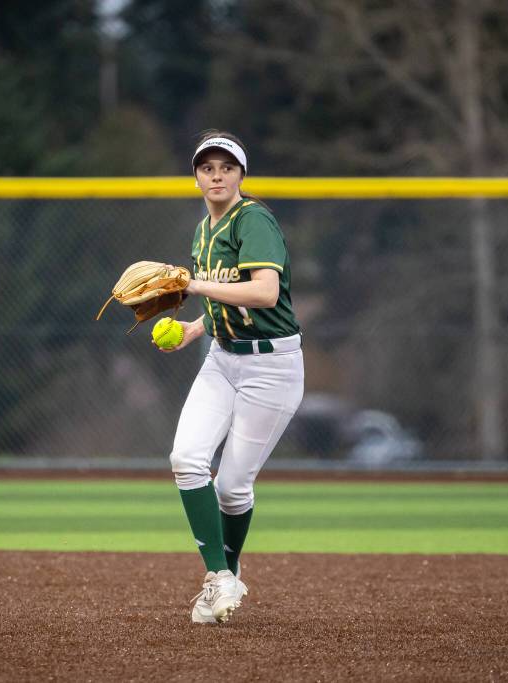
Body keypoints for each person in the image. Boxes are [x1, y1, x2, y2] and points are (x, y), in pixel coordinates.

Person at [156, 130, 304, 624]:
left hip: (271, 366)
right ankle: (219, 579)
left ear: (241, 174)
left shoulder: (253, 219)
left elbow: (263, 293)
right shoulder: (202, 230)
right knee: (186, 458)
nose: (216, 175)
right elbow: (222, 300)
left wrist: (192, 284)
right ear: (196, 175)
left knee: (234, 488)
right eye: (207, 167)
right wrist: (193, 328)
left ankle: (230, 573)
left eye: (226, 167)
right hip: (221, 358)